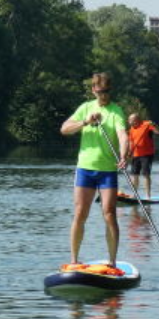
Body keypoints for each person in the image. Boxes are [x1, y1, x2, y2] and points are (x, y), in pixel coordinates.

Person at [60, 73, 130, 267]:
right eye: (100, 92)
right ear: (93, 91)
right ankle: (74, 260)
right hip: (85, 169)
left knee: (109, 213)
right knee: (80, 213)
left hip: (107, 170)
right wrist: (85, 122)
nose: (104, 96)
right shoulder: (85, 108)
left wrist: (124, 156)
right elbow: (64, 129)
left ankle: (112, 262)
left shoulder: (116, 111)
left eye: (107, 92)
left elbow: (123, 136)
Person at [127, 113, 159, 198]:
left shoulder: (146, 125)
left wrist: (154, 124)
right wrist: (130, 152)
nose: (128, 122)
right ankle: (135, 195)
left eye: (130, 120)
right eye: (129, 120)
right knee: (134, 175)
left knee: (146, 174)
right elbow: (131, 141)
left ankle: (148, 195)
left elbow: (158, 132)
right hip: (136, 154)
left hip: (147, 154)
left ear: (136, 120)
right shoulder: (131, 129)